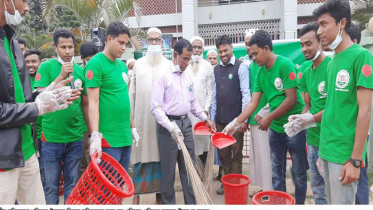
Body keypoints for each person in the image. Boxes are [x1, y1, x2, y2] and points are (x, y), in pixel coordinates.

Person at [288, 0, 373, 204]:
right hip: (326, 150)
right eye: (319, 25)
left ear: (341, 23)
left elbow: (365, 111)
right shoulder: (333, 61)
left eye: (324, 24)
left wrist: (355, 160)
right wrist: (306, 120)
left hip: (344, 155)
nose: (319, 31)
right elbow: (332, 108)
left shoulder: (361, 57)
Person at [0, 0, 81, 204]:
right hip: (3, 159)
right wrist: (36, 107)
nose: (27, 8)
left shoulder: (10, 42)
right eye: (24, 1)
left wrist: (50, 92)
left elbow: (23, 98)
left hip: (27, 151)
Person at [224, 30, 307, 204]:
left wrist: (269, 117)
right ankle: (278, 203)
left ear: (267, 48)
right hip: (276, 129)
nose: (253, 58)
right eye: (251, 55)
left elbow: (291, 99)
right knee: (276, 172)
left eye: (255, 54)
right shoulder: (260, 72)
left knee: (299, 173)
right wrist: (235, 123)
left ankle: (298, 204)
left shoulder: (285, 65)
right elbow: (253, 104)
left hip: (294, 127)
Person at [151, 39, 213, 204]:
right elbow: (155, 108)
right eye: (185, 58)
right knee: (169, 171)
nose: (187, 62)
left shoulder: (188, 77)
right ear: (175, 55)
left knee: (189, 168)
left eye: (190, 58)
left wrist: (205, 118)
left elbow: (193, 104)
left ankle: (190, 204)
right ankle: (169, 204)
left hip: (186, 126)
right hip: (168, 128)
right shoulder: (162, 77)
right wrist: (171, 127)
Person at [34, 29, 85, 204]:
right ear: (55, 47)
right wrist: (61, 76)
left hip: (75, 137)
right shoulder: (46, 67)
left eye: (70, 46)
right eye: (63, 47)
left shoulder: (80, 70)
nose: (67, 51)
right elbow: (39, 97)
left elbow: (84, 103)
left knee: (72, 184)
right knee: (51, 186)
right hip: (51, 137)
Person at [87, 21, 139, 173]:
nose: (124, 47)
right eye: (121, 42)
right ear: (109, 39)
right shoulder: (96, 64)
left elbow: (124, 100)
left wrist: (133, 126)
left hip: (124, 137)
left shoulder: (122, 66)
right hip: (108, 139)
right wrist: (95, 135)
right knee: (106, 188)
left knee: (119, 186)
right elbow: (93, 102)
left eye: (126, 44)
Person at [129, 27, 170, 205]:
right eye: (150, 40)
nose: (154, 43)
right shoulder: (138, 64)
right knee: (139, 159)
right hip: (142, 122)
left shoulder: (169, 65)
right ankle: (135, 200)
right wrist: (130, 121)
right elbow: (132, 94)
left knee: (162, 159)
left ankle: (160, 200)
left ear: (162, 43)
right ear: (146, 42)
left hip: (161, 124)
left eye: (157, 40)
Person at [210, 34, 250, 195]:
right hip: (220, 120)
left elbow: (246, 94)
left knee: (237, 154)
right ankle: (226, 182)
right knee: (224, 154)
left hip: (236, 121)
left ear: (231, 49)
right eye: (220, 51)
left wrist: (244, 120)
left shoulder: (241, 67)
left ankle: (236, 184)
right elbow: (213, 96)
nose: (223, 54)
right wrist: (212, 119)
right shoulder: (216, 70)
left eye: (225, 50)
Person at [296, 22, 330, 204]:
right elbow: (308, 104)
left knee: (332, 192)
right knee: (317, 190)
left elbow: (334, 108)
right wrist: (299, 119)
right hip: (313, 140)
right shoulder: (306, 72)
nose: (304, 49)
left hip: (330, 141)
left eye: (308, 44)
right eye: (302, 45)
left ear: (320, 42)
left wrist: (309, 118)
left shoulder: (331, 68)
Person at [244, 30, 272, 191]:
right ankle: (258, 187)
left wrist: (267, 115)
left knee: (265, 157)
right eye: (247, 44)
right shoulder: (252, 67)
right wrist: (242, 120)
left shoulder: (268, 66)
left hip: (267, 119)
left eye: (251, 45)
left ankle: (268, 190)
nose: (249, 50)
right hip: (254, 117)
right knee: (255, 158)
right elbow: (250, 99)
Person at [348, 22, 370, 205]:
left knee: (360, 175)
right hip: (347, 133)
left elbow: (364, 108)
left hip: (360, 132)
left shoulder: (362, 58)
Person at [186, 36, 213, 165]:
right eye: (194, 47)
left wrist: (206, 110)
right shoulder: (185, 65)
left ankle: (203, 175)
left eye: (199, 47)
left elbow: (210, 91)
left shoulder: (207, 66)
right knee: (189, 142)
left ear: (202, 49)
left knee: (203, 144)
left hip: (202, 112)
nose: (196, 50)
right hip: (187, 113)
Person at [78, 42, 98, 179]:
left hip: (96, 124)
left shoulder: (98, 72)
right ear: (82, 59)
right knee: (84, 161)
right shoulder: (81, 74)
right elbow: (85, 104)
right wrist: (91, 132)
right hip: (84, 126)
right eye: (89, 60)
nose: (92, 63)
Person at [24, 49, 44, 184]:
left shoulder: (46, 78)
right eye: (27, 62)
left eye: (33, 61)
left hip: (45, 134)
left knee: (43, 170)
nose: (30, 65)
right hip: (29, 135)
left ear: (40, 63)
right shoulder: (20, 81)